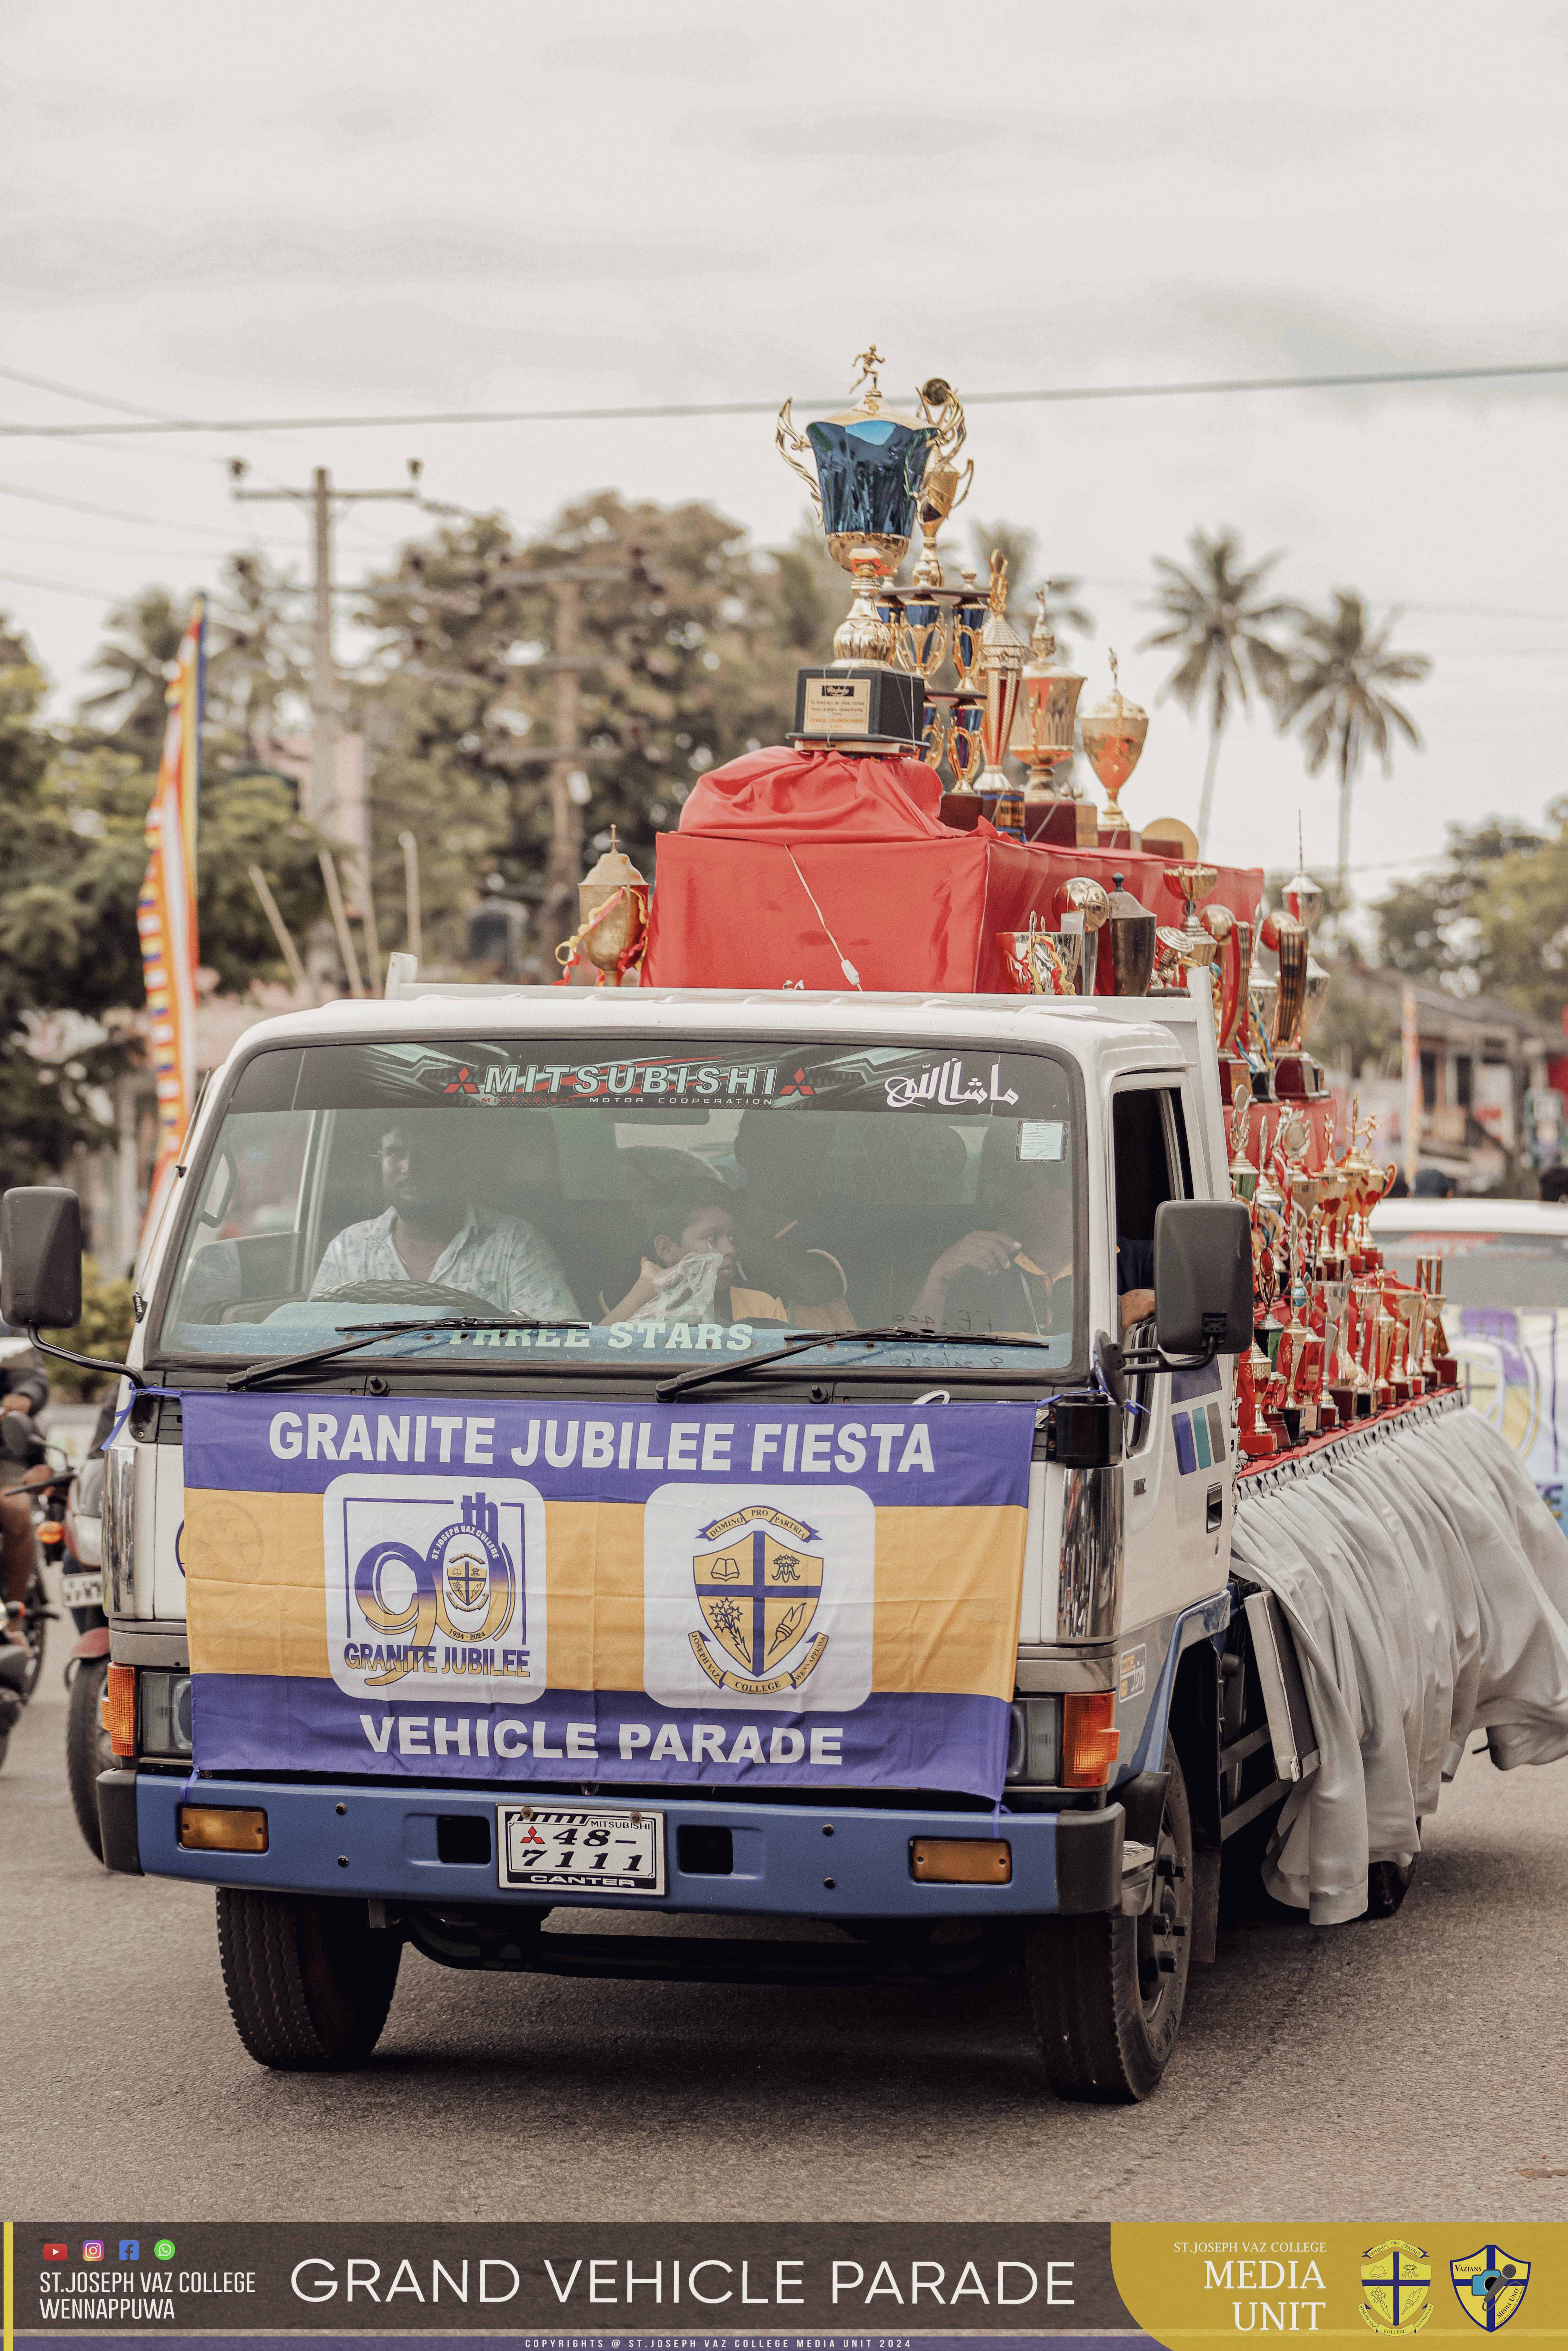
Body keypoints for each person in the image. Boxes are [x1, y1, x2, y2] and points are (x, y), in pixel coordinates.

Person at [311, 1118, 579, 1319]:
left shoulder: (515, 1244)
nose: (409, 1167)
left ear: (455, 1162)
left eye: (426, 1153)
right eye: (396, 1153)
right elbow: (308, 1340)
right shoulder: (347, 1248)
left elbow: (559, 1347)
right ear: (381, 1161)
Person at [604, 1193, 790, 1329]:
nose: (730, 1250)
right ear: (667, 1249)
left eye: (732, 1238)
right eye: (711, 1239)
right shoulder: (644, 1310)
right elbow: (595, 1349)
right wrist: (647, 1287)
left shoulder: (761, 1306)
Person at [0, 1361, 52, 1649]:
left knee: (15, 1507)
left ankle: (13, 1617)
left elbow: (30, 1375)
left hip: (5, 1455)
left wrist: (24, 1396)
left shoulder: (7, 1333)